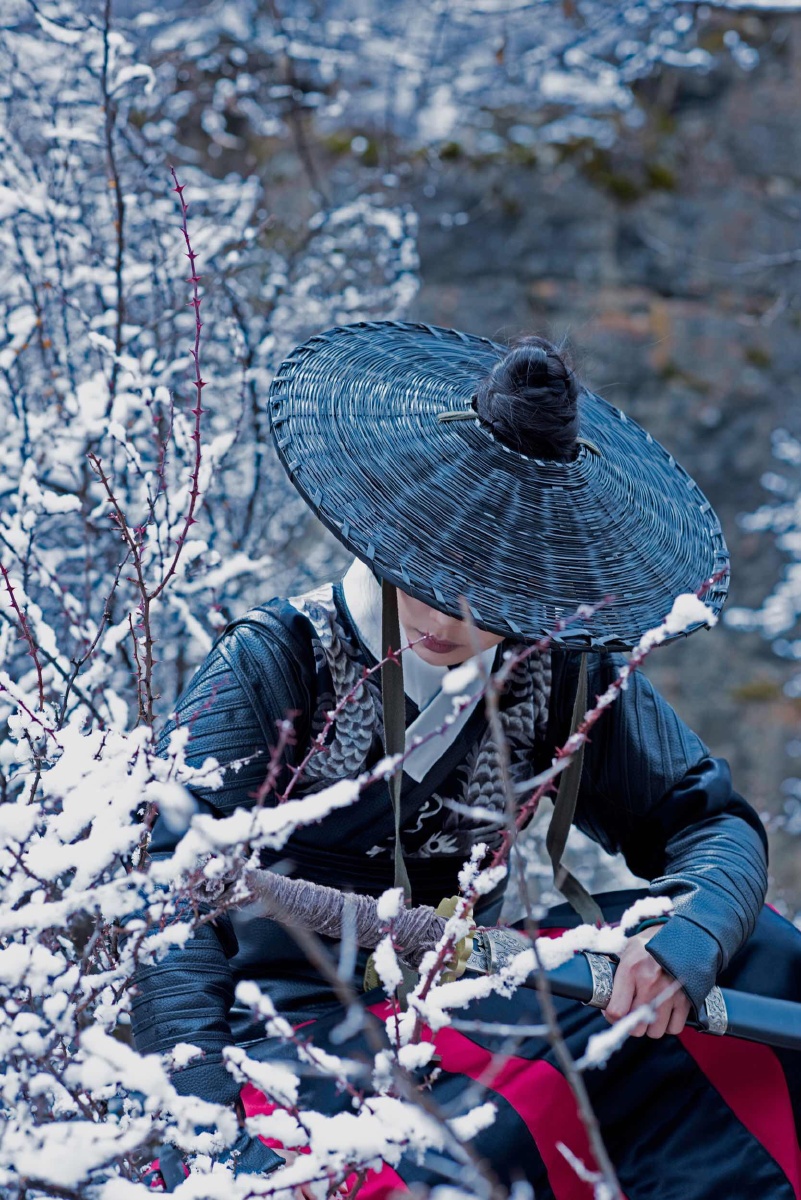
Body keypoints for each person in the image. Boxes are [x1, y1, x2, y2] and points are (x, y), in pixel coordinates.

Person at [135, 322, 801, 1198]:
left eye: (489, 592)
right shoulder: (274, 660)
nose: (447, 616)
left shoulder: (558, 669)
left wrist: (683, 942)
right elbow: (168, 902)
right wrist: (200, 1131)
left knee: (754, 954)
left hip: (466, 991)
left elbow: (707, 823)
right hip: (289, 1032)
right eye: (429, 571)